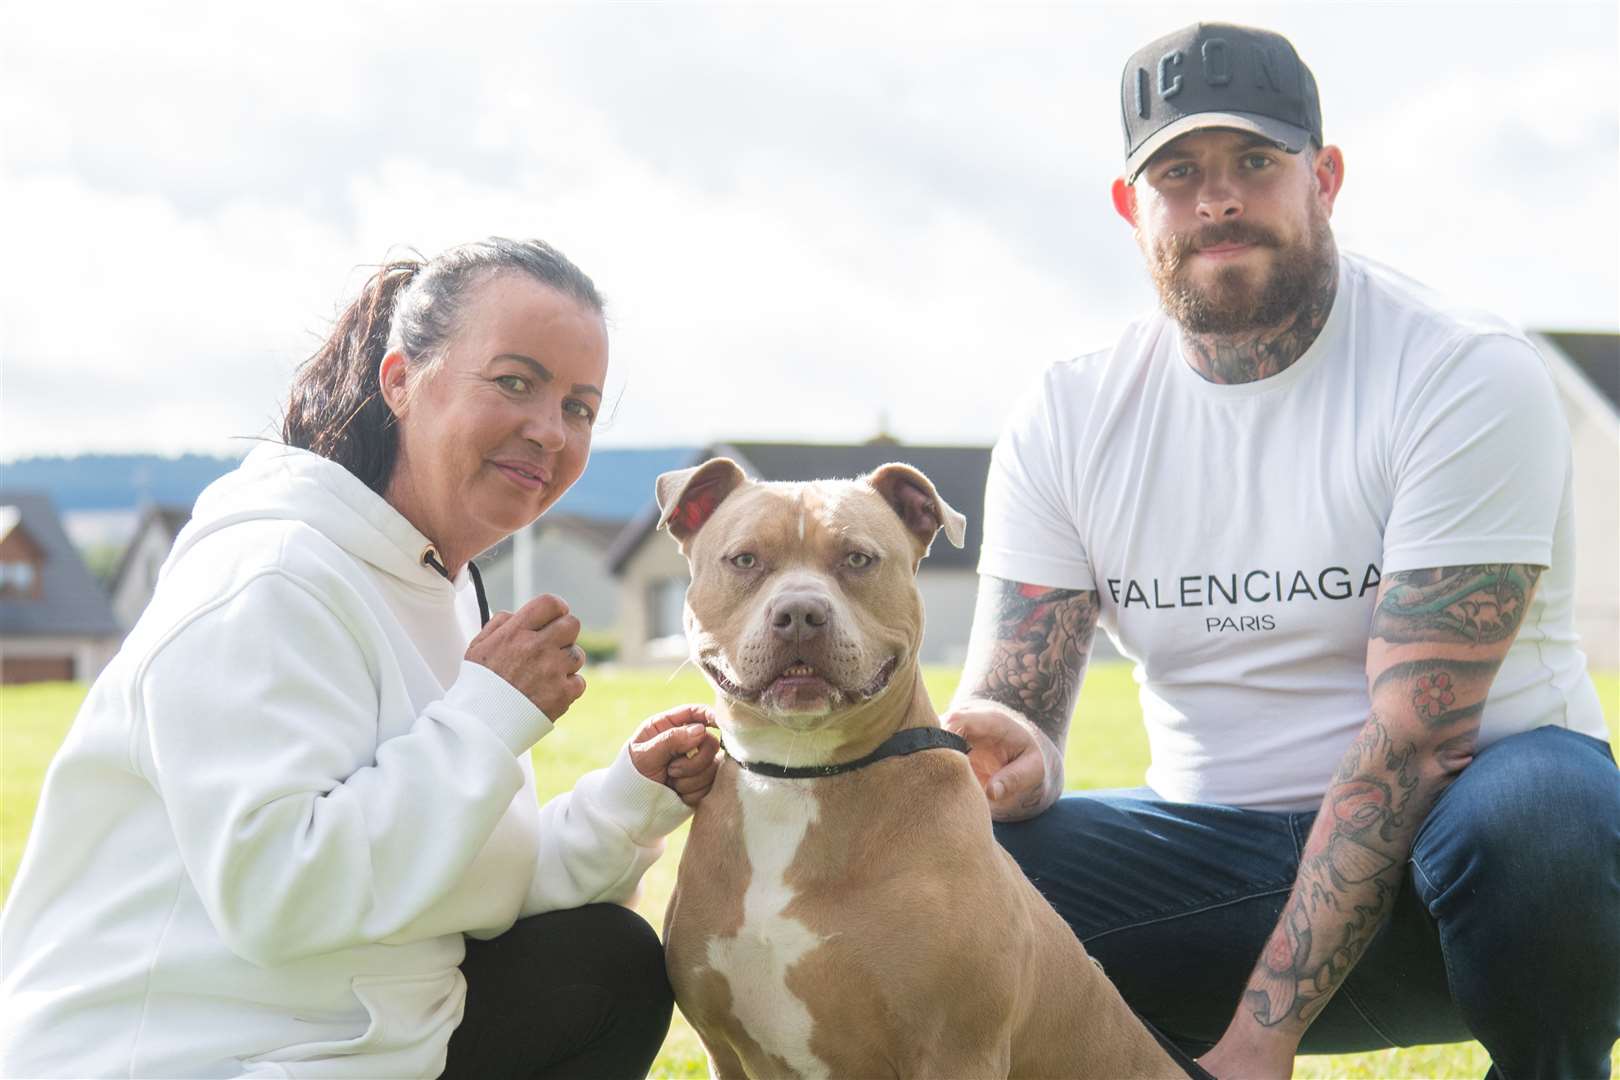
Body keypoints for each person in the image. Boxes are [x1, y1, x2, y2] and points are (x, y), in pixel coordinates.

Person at [942, 22, 1620, 1078]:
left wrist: (1261, 1044)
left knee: (1545, 814)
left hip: (1461, 881)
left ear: (1325, 178)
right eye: (1178, 173)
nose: (1217, 199)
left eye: (1255, 162)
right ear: (1131, 208)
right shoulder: (1069, 412)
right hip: (1214, 869)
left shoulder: (1462, 372)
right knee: (958, 857)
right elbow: (1011, 716)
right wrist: (1013, 762)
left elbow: (1411, 744)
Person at [0, 238, 722, 1078]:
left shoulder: (439, 588)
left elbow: (459, 879)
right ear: (401, 380)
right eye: (515, 382)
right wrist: (486, 715)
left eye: (581, 407)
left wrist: (627, 803)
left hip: (363, 1051)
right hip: (188, 1058)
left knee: (606, 966)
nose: (548, 431)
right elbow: (279, 894)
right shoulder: (268, 578)